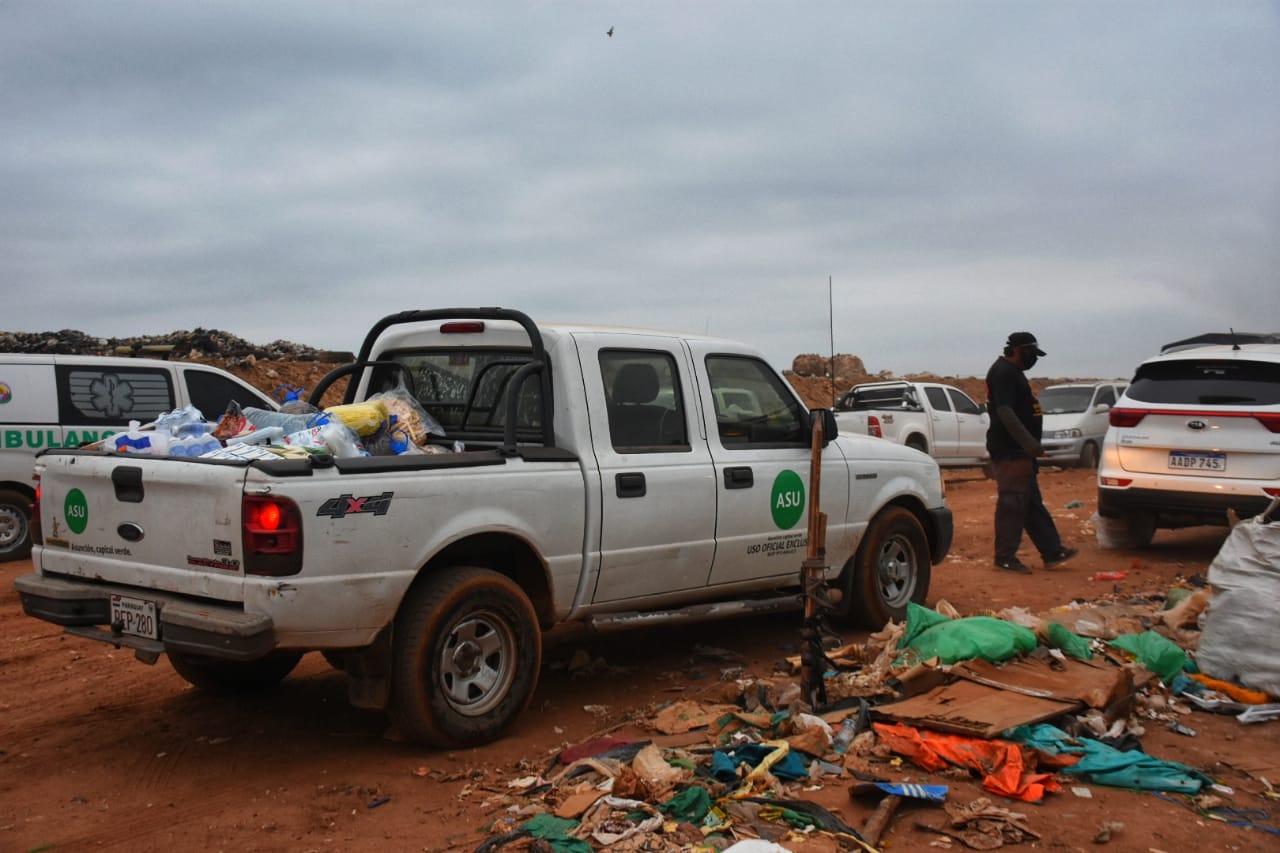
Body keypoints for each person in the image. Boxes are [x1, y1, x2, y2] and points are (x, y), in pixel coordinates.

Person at [985, 332, 1078, 573]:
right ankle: (1004, 558)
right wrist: (1029, 444)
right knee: (1013, 504)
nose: (1033, 359)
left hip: (1021, 451)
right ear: (1018, 350)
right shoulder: (1003, 373)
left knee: (1031, 503)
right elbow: (1005, 412)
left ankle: (1052, 551)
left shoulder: (1013, 372)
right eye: (1030, 354)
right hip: (1011, 450)